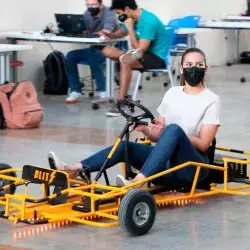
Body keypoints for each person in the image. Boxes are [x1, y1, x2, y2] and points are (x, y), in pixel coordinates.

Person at [47, 48, 221, 189]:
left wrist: (174, 133)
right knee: (124, 146)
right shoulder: (172, 93)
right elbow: (157, 135)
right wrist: (146, 129)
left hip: (192, 168)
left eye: (199, 65)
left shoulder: (211, 99)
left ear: (205, 68)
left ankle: (137, 182)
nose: (193, 68)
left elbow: (204, 144)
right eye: (189, 64)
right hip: (166, 164)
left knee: (173, 129)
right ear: (182, 68)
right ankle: (73, 169)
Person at [100, 0, 170, 117]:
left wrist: (130, 28)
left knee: (125, 61)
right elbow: (122, 32)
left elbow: (139, 49)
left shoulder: (149, 21)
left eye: (119, 13)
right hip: (140, 54)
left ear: (126, 9)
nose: (118, 16)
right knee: (106, 50)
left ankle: (121, 102)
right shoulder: (131, 18)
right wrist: (110, 34)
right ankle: (124, 63)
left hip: (156, 57)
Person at [65, 0, 119, 103]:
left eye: (93, 5)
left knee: (93, 59)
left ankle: (103, 91)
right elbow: (83, 31)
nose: (90, 7)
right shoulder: (87, 14)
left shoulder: (109, 13)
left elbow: (107, 31)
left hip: (111, 49)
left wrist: (98, 33)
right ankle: (75, 90)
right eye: (88, 5)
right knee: (71, 56)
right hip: (94, 48)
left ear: (101, 5)